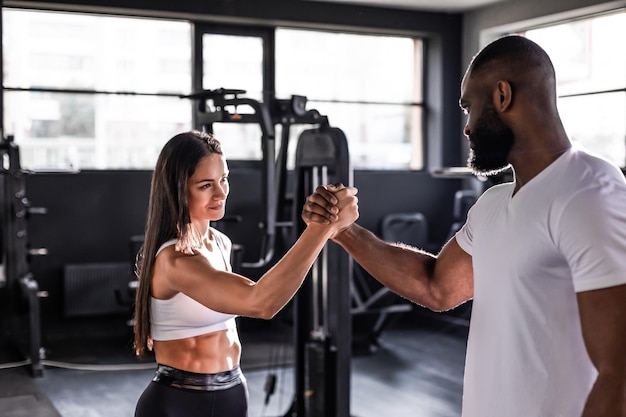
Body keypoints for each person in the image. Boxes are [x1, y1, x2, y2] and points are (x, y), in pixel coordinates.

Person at [302, 35, 626, 417]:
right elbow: (437, 286)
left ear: (502, 96)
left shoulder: (587, 191)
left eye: (469, 107)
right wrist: (345, 231)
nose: (467, 127)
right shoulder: (493, 203)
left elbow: (620, 371)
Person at [133, 130, 358, 417]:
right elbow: (260, 302)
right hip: (180, 403)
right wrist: (322, 228)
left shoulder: (220, 243)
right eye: (206, 185)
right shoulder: (175, 261)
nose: (221, 192)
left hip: (233, 393)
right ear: (177, 189)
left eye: (223, 179)